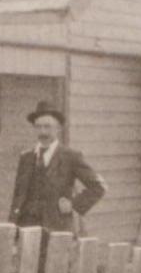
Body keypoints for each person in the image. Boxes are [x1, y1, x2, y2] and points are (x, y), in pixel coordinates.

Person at [9, 100, 107, 249]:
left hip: (56, 232)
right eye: (38, 127)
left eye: (47, 127)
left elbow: (99, 187)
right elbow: (18, 197)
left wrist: (73, 204)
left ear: (58, 129)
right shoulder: (26, 157)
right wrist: (13, 229)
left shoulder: (70, 156)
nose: (43, 132)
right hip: (27, 230)